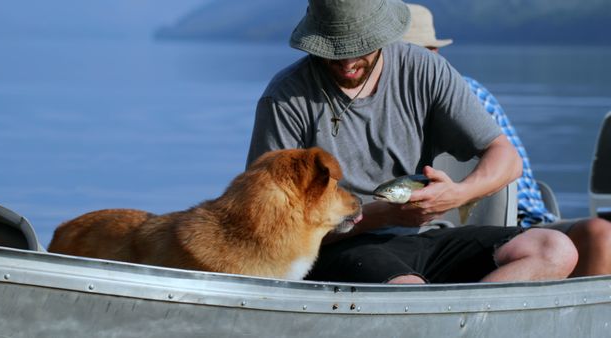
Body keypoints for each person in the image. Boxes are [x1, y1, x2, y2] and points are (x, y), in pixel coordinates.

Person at [246, 0, 578, 284]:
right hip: (335, 247)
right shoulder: (285, 98)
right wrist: (380, 215)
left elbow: (507, 158)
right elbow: (271, 228)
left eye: (359, 48)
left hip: (420, 239)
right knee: (407, 289)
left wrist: (458, 194)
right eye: (334, 51)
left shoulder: (425, 68)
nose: (347, 63)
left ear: (380, 34)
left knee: (554, 250)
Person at [401, 3, 611, 277]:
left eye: (422, 53)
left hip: (525, 223)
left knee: (602, 235)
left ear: (435, 53)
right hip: (449, 234)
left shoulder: (469, 92)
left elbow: (513, 168)